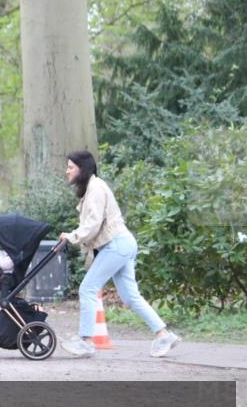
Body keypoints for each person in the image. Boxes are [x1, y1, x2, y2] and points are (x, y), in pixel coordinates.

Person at [58, 150, 180, 358]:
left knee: (87, 288)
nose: (66, 171)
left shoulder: (96, 188)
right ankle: (164, 335)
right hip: (121, 243)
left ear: (82, 168)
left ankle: (86, 342)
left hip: (116, 244)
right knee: (130, 296)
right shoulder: (92, 188)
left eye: (70, 167)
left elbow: (93, 223)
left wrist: (72, 236)